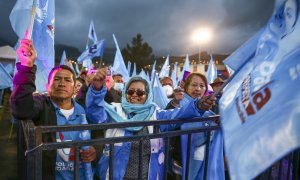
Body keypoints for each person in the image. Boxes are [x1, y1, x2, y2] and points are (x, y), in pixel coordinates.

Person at [85, 70, 216, 180]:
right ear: (125, 93)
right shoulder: (115, 110)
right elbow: (95, 113)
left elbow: (178, 114)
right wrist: (96, 91)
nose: (135, 95)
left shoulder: (156, 114)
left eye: (140, 92)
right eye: (130, 92)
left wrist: (198, 105)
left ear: (147, 95)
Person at [10, 39, 97, 179]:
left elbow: (96, 134)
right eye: (57, 79)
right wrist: (26, 67)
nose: (62, 83)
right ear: (47, 87)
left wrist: (94, 149)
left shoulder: (82, 110)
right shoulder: (42, 104)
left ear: (75, 88)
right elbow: (21, 109)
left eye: (67, 80)